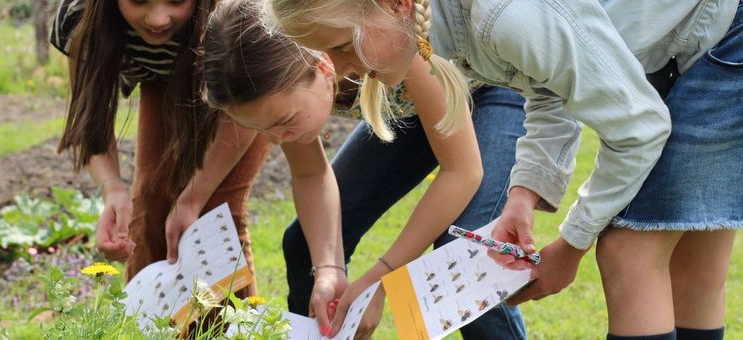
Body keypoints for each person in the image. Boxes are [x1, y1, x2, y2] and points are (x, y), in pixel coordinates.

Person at [263, 0, 741, 338]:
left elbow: (639, 129)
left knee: (625, 250)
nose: (344, 70)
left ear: (397, 4)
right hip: (692, 40)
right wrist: (524, 193)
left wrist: (572, 245)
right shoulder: (449, 28)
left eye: (344, 46)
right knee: (692, 260)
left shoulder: (499, 17)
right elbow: (554, 87)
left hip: (726, 33)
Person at [202, 1, 528, 338]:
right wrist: (328, 269)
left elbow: (462, 172)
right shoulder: (290, 74)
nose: (276, 140)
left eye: (284, 123)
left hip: (490, 88)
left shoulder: (402, 44)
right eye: (263, 130)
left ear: (321, 64)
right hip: (412, 111)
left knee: (462, 255)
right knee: (304, 244)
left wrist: (381, 278)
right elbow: (311, 175)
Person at [49, 0, 272, 297]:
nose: (157, 19)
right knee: (151, 197)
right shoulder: (80, 15)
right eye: (139, 0)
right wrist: (113, 190)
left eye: (176, 0)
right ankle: (148, 325)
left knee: (214, 212)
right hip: (162, 78)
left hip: (245, 92)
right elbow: (88, 116)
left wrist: (194, 197)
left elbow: (247, 106)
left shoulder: (239, 10)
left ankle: (234, 330)